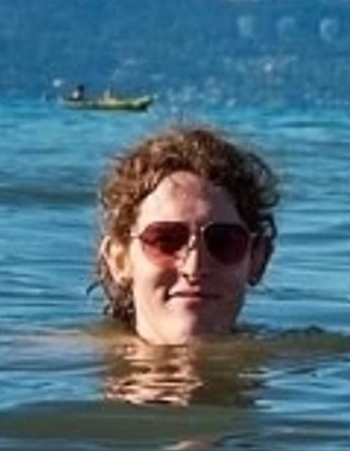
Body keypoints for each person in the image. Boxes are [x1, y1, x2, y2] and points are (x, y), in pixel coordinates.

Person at [95, 125, 279, 344]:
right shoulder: (58, 365)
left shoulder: (305, 363)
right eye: (166, 240)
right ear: (119, 260)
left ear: (258, 259)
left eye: (223, 242)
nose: (194, 268)